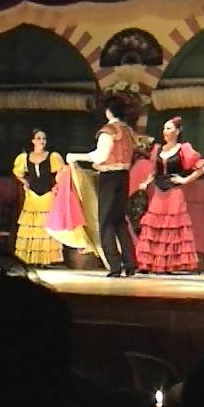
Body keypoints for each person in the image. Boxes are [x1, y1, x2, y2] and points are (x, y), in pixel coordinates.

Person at [66, 98, 137, 277]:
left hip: (110, 177)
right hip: (123, 176)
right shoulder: (128, 131)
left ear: (108, 112)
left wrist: (75, 156)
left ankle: (114, 265)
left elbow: (100, 156)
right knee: (119, 220)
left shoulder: (109, 131)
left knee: (105, 222)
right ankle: (130, 263)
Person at [136, 116, 204, 273]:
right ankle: (151, 264)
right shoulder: (158, 149)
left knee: (173, 226)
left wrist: (185, 180)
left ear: (177, 131)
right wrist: (146, 182)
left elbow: (201, 168)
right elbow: (155, 171)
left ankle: (171, 264)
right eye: (164, 128)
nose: (165, 132)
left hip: (174, 191)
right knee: (155, 225)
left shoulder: (184, 149)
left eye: (168, 128)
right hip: (159, 191)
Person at [12, 129, 65, 266]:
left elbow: (61, 171)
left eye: (44, 139)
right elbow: (18, 173)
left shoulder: (52, 156)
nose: (42, 141)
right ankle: (30, 259)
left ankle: (44, 260)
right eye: (39, 138)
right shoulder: (24, 157)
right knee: (31, 226)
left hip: (47, 195)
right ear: (33, 141)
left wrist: (57, 186)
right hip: (32, 195)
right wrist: (25, 182)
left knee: (45, 226)